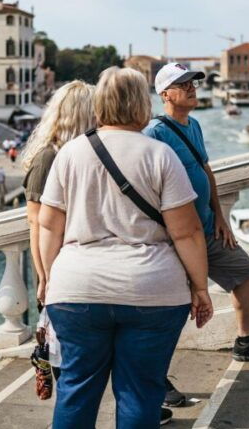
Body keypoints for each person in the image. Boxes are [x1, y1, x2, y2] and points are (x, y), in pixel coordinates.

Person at [39, 67, 213, 428]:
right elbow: (187, 232)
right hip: (152, 290)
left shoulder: (70, 153)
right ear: (142, 104)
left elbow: (48, 226)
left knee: (76, 388)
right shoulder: (160, 154)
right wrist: (200, 287)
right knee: (139, 392)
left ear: (100, 105)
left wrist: (46, 279)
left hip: (77, 289)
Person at [144, 62, 249, 404]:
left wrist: (220, 217)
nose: (192, 88)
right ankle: (154, 377)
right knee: (172, 309)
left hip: (207, 229)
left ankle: (245, 341)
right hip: (176, 239)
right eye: (183, 84)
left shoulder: (193, 125)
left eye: (193, 82)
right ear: (165, 94)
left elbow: (205, 169)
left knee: (246, 274)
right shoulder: (153, 134)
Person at [21, 80, 95, 399]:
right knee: (67, 355)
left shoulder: (83, 155)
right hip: (61, 271)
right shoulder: (47, 159)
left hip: (84, 265)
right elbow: (36, 222)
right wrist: (44, 278)